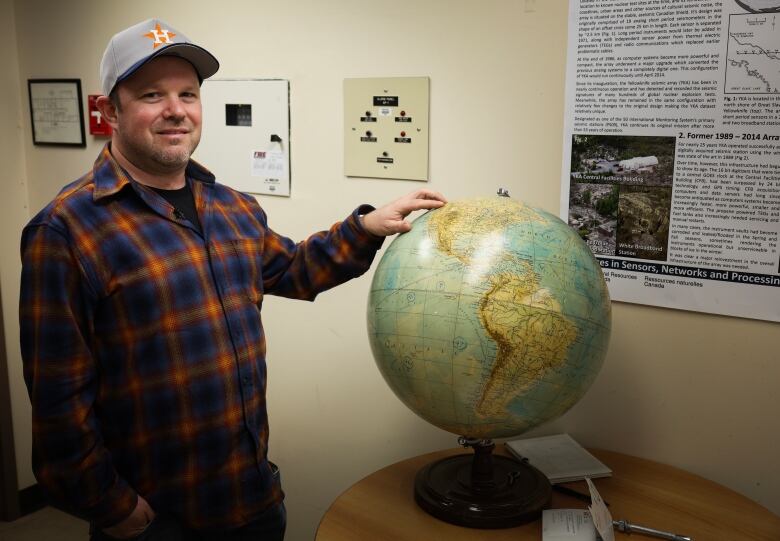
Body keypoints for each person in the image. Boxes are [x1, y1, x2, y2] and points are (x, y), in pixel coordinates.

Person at [19, 18, 446, 541]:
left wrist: (365, 227)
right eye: (152, 94)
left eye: (188, 93)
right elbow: (59, 403)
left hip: (253, 499)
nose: (176, 109)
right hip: (156, 520)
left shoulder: (232, 207)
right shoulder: (67, 229)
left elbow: (294, 268)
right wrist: (116, 510)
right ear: (111, 111)